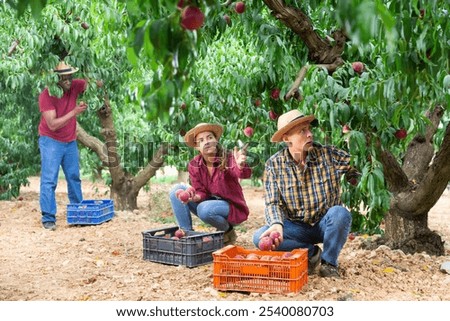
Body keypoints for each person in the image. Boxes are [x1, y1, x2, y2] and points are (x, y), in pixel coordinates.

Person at [252, 109, 358, 278]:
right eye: (302, 131)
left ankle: (329, 263)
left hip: (325, 224)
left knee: (340, 213)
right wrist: (276, 224)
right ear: (287, 138)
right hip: (296, 227)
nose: (310, 134)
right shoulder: (275, 164)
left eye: (309, 129)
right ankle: (311, 254)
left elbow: (360, 168)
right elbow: (273, 203)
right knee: (259, 237)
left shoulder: (328, 155)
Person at [169, 123, 252, 245]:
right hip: (209, 204)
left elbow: (243, 173)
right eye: (201, 140)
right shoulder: (194, 164)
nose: (206, 142)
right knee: (175, 190)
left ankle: (227, 230)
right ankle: (186, 235)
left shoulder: (228, 157)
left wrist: (240, 165)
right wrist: (195, 197)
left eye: (209, 137)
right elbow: (201, 191)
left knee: (204, 209)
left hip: (231, 208)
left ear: (216, 140)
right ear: (197, 147)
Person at [38, 61, 88, 230]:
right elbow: (52, 124)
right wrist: (74, 112)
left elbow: (94, 82)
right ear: (55, 79)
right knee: (49, 179)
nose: (68, 80)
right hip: (50, 140)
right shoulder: (46, 95)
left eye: (70, 76)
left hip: (69, 140)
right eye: (63, 77)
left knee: (74, 176)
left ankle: (77, 213)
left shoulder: (74, 86)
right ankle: (48, 217)